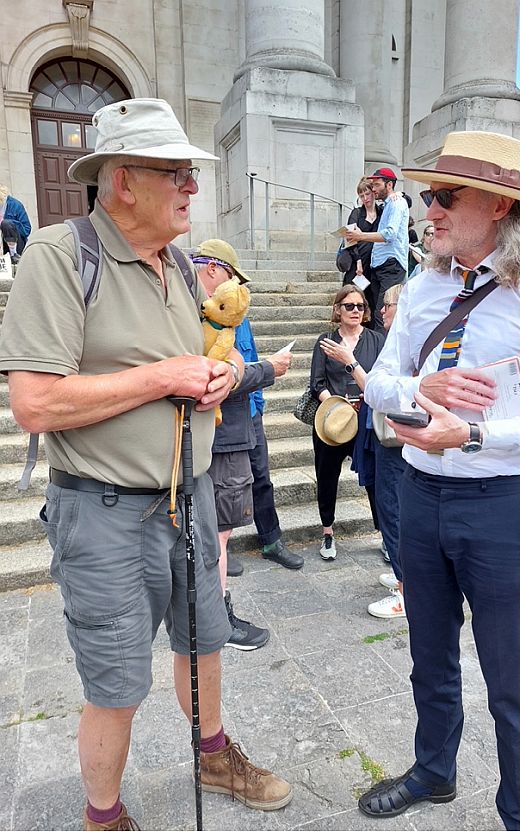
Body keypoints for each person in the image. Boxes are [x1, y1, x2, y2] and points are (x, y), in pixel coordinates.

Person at [0, 98, 292, 830]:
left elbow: (196, 360)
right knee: (117, 681)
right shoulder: (60, 257)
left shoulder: (185, 269)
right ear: (124, 181)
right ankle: (104, 813)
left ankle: (216, 754)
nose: (193, 186)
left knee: (207, 641)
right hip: (102, 513)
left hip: (187, 495)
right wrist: (166, 376)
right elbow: (35, 403)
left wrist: (216, 376)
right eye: (179, 173)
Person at [361, 130, 520, 830]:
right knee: (428, 658)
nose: (426, 209)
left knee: (512, 683)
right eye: (428, 195)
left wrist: (474, 433)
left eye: (444, 195)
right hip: (421, 495)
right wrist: (419, 384)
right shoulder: (426, 284)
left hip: (503, 506)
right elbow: (377, 384)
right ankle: (434, 770)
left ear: (498, 205)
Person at [193, 239, 302, 653]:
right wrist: (268, 370)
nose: (239, 289)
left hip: (238, 425)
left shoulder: (224, 312)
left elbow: (235, 364)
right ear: (215, 271)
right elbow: (222, 377)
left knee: (220, 528)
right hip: (221, 435)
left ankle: (216, 615)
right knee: (218, 537)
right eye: (235, 279)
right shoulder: (205, 315)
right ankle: (219, 622)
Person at [310, 284, 385, 560]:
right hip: (332, 422)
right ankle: (328, 532)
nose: (355, 311)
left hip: (365, 420)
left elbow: (381, 379)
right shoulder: (326, 340)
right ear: (337, 310)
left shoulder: (377, 340)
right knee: (327, 477)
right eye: (349, 306)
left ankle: (385, 534)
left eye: (360, 306)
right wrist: (338, 406)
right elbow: (316, 382)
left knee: (375, 479)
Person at [231, 315, 305, 573]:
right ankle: (220, 547)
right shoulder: (206, 316)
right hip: (224, 418)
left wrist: (259, 406)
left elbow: (254, 357)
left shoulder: (243, 319)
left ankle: (271, 541)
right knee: (221, 484)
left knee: (261, 477)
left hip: (250, 412)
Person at [367, 282, 406, 619]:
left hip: (398, 441)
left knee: (394, 512)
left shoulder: (406, 341)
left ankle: (405, 592)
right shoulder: (393, 340)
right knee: (390, 509)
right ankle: (400, 575)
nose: (382, 310)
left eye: (388, 304)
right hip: (387, 440)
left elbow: (383, 391)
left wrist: (351, 365)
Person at [345, 167, 409, 332]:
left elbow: (390, 234)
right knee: (375, 311)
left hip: (391, 265)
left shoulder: (395, 203)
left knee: (384, 313)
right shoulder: (386, 205)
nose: (373, 189)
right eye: (370, 187)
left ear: (388, 185)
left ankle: (381, 354)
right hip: (374, 267)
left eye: (376, 185)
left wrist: (360, 236)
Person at [341, 177, 383, 314]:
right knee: (354, 297)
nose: (365, 198)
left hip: (375, 263)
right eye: (361, 195)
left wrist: (399, 195)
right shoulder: (357, 213)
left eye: (367, 194)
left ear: (374, 193)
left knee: (372, 300)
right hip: (358, 263)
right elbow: (350, 238)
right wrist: (358, 260)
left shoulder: (382, 212)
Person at [0, 184, 32, 264]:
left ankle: (14, 254)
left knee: (6, 223)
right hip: (3, 244)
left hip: (18, 243)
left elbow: (27, 230)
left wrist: (12, 225)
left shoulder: (15, 205)